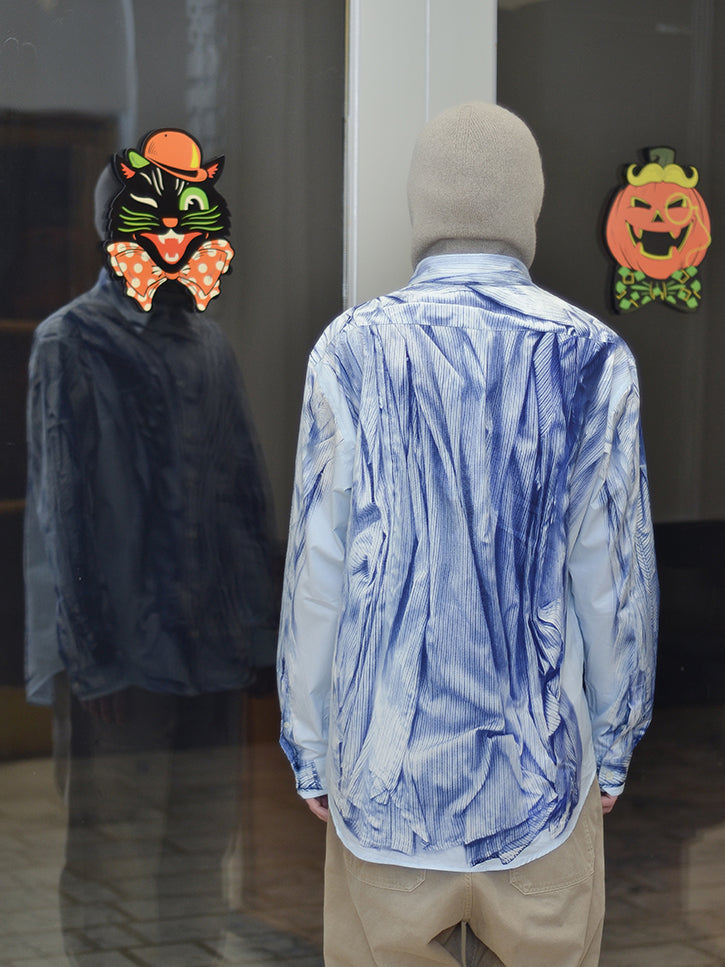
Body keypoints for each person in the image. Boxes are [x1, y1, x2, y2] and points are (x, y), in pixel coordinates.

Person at [276, 102, 658, 967]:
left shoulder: (350, 350)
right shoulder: (590, 356)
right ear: (528, 207)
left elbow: (317, 574)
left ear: (421, 207)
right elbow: (611, 580)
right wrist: (612, 742)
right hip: (541, 782)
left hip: (383, 783)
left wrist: (311, 746)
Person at [24, 130, 276, 962]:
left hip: (210, 652)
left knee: (201, 849)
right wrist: (94, 659)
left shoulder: (208, 343)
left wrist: (258, 637)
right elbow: (66, 512)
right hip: (121, 663)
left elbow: (242, 493)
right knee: (113, 858)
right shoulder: (71, 341)